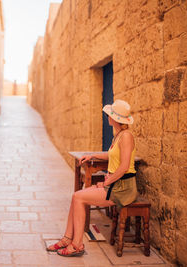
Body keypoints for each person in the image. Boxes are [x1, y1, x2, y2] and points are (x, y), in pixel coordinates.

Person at [46, 99, 138, 257]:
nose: (107, 116)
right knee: (76, 198)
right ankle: (67, 239)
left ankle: (77, 245)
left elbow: (123, 167)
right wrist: (92, 156)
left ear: (115, 118)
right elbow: (111, 156)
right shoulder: (119, 136)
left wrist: (107, 181)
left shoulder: (127, 136)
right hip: (115, 185)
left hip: (122, 188)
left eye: (109, 114)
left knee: (78, 198)